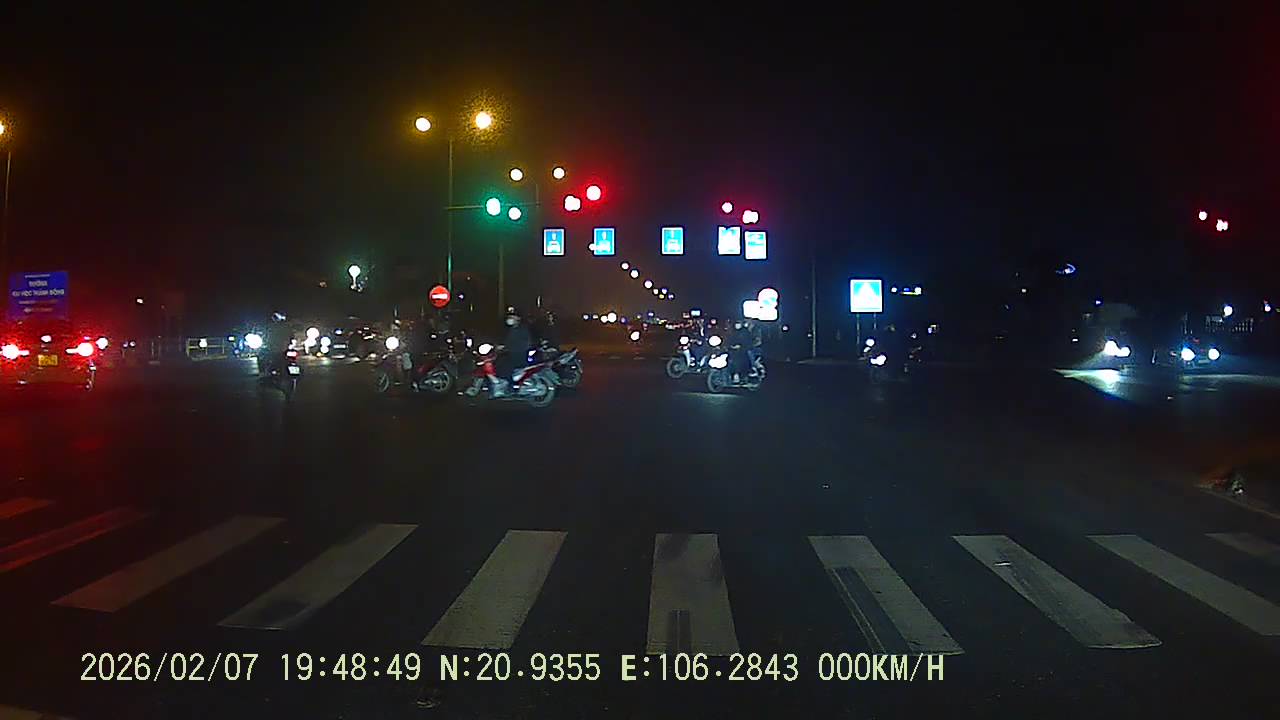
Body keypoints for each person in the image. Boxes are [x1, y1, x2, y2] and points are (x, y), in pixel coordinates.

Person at [492, 306, 532, 397]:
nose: (510, 319)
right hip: (511, 353)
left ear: (518, 318)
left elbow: (524, 343)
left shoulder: (522, 329)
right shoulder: (510, 329)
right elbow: (505, 341)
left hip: (519, 354)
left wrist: (507, 347)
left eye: (512, 317)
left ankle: (511, 388)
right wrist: (498, 346)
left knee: (505, 367)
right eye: (509, 317)